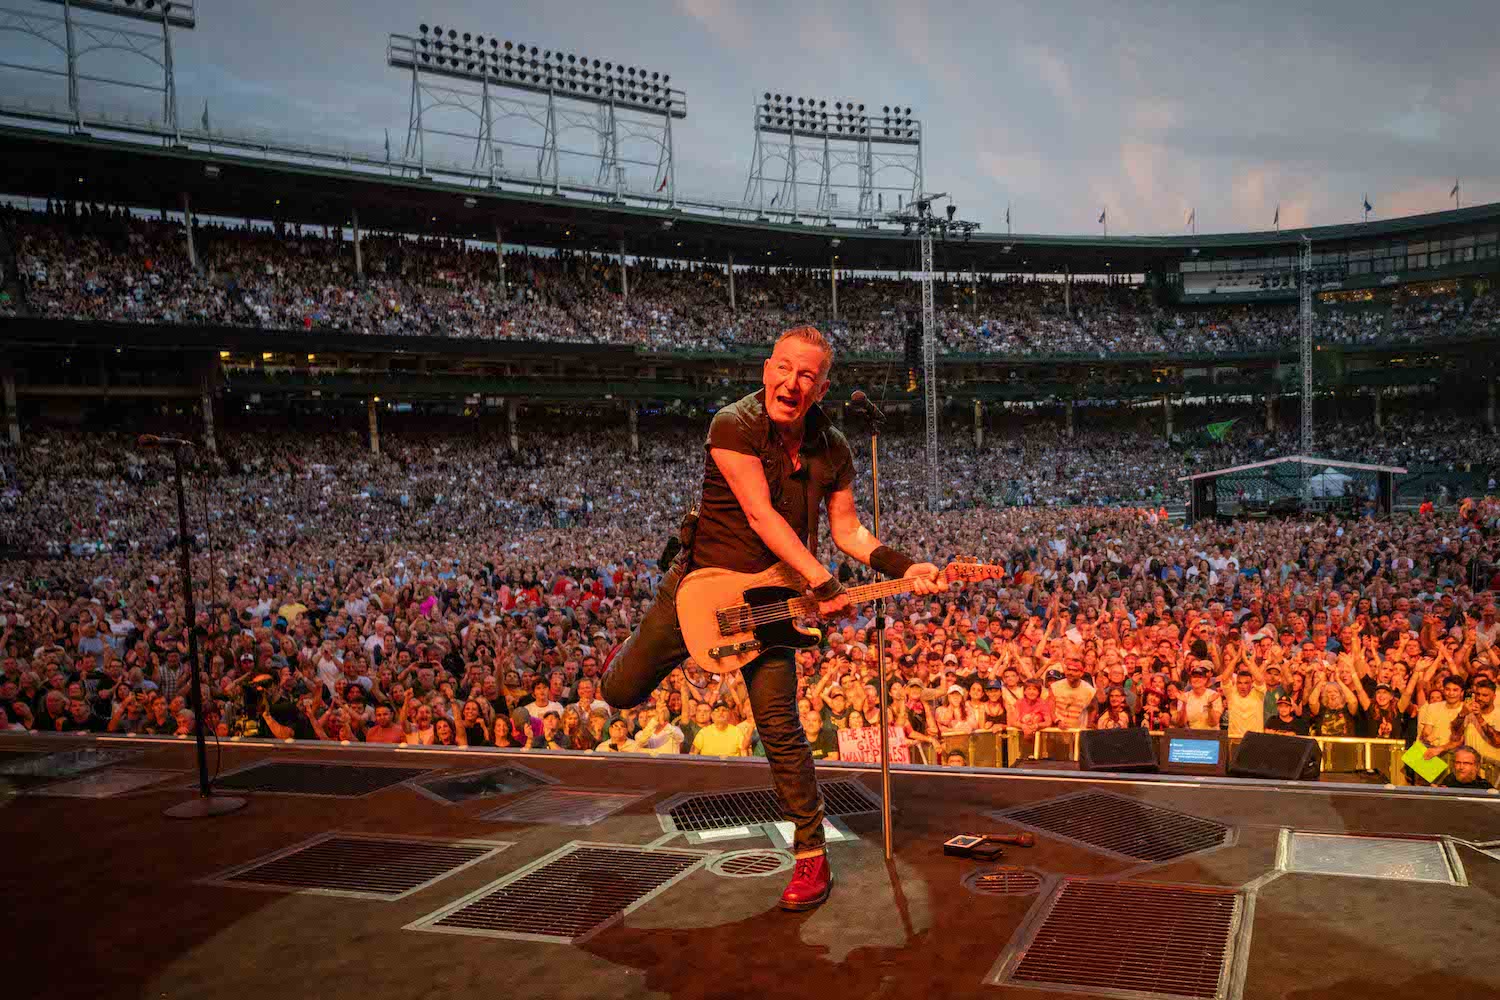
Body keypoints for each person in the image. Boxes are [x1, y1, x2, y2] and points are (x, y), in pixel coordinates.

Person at [600, 326, 949, 912]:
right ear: (767, 370)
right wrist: (824, 582)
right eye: (784, 368)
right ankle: (638, 653)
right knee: (621, 693)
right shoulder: (733, 425)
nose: (792, 382)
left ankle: (811, 853)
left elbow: (848, 530)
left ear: (821, 387)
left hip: (772, 603)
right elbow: (762, 516)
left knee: (781, 727)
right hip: (701, 588)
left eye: (807, 374)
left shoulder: (833, 448)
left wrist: (903, 566)